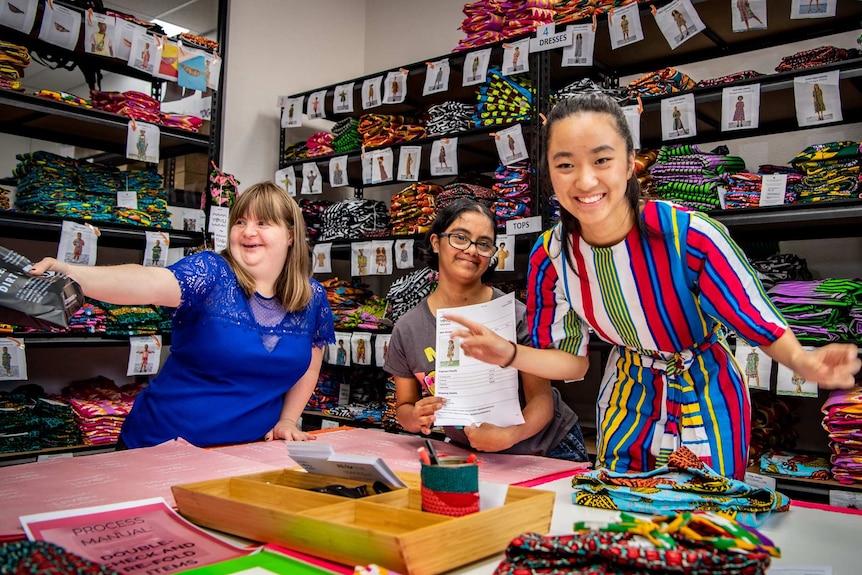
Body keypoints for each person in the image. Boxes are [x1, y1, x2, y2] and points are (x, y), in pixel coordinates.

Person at [445, 93, 860, 479]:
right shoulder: (551, 256)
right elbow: (573, 363)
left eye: (602, 160)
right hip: (627, 394)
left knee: (709, 521)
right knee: (623, 515)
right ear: (549, 174)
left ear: (629, 165)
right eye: (565, 164)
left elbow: (754, 319)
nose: (585, 181)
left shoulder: (689, 236)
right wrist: (511, 354)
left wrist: (803, 362)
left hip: (708, 386)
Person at [28, 182, 336, 449]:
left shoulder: (311, 298)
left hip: (244, 454)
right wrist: (71, 273)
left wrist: (288, 419)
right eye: (240, 221)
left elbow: (309, 364)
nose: (248, 232)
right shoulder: (211, 274)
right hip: (160, 446)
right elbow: (147, 282)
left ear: (291, 235)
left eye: (264, 223)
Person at [384, 198, 589, 461]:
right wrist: (415, 417)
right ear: (435, 242)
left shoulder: (515, 316)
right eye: (460, 237)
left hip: (545, 447)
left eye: (483, 243)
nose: (471, 250)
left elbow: (542, 401)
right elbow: (404, 407)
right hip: (472, 453)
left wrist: (509, 436)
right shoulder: (408, 328)